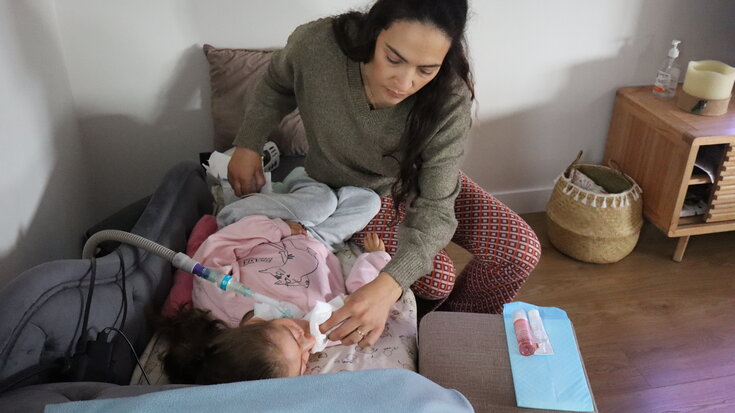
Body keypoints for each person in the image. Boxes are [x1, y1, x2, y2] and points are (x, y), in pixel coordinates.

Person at [227, 0, 542, 349]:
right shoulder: (317, 45)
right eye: (394, 59)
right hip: (351, 194)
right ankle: (426, 326)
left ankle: (447, 332)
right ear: (374, 30)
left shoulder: (449, 95)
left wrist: (388, 286)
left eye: (426, 69)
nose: (404, 83)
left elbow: (436, 208)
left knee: (520, 250)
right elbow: (276, 84)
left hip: (414, 180)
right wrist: (248, 143)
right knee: (437, 279)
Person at [159, 215, 391, 383]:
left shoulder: (221, 298)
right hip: (325, 239)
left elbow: (218, 247)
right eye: (304, 361)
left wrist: (279, 227)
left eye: (295, 335)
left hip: (281, 226)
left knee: (323, 202)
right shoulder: (327, 328)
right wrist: (374, 259)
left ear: (256, 322)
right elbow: (361, 300)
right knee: (366, 203)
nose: (309, 342)